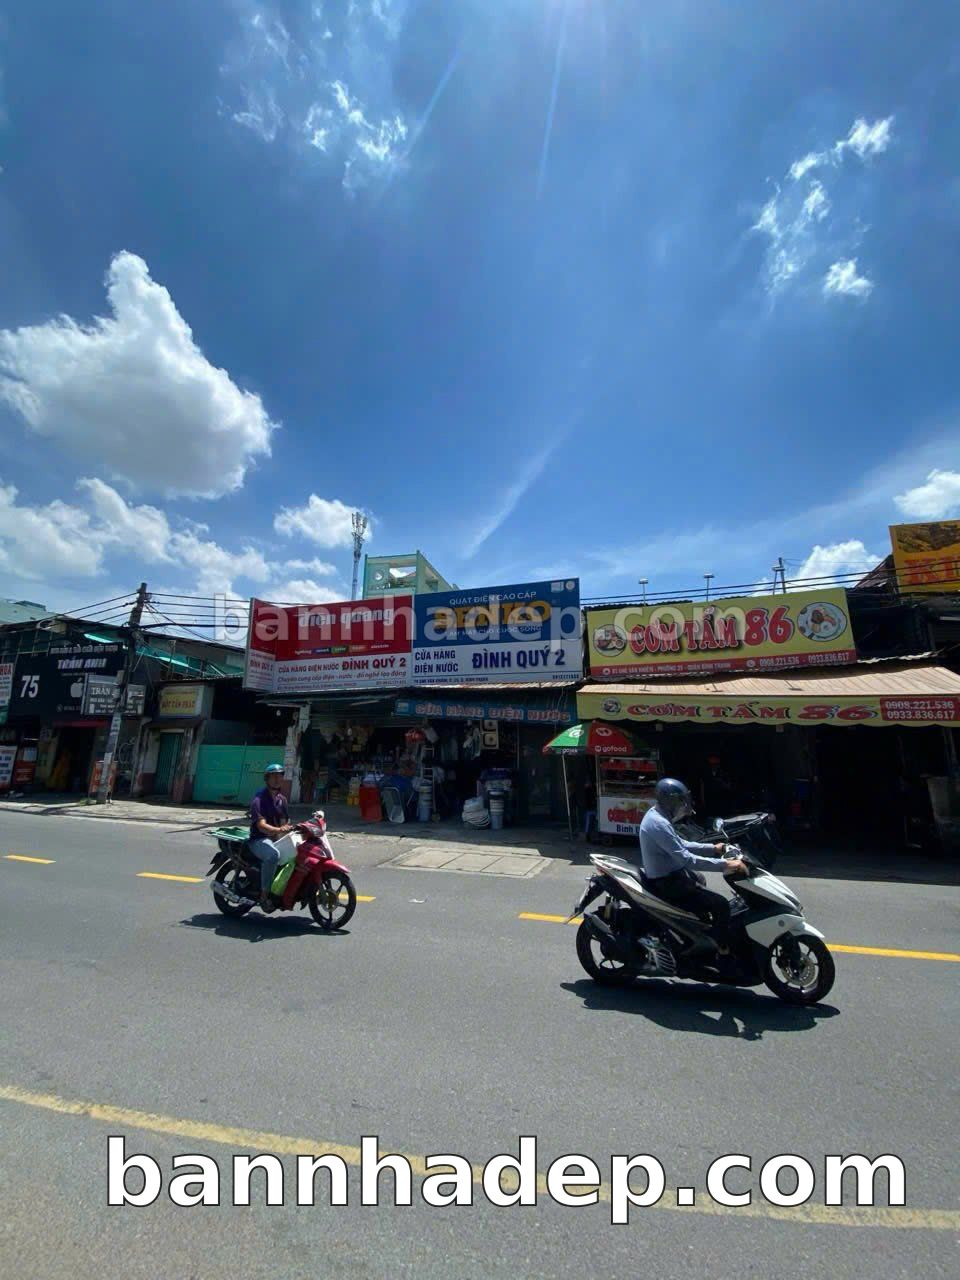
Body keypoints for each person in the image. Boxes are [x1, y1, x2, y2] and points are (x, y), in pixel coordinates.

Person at [639, 777, 745, 952]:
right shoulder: (658, 824)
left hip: (673, 875)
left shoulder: (658, 815)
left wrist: (713, 848)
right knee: (721, 905)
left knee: (700, 878)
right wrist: (726, 864)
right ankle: (720, 949)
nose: (683, 805)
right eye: (679, 801)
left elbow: (681, 844)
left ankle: (695, 931)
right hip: (667, 882)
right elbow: (687, 859)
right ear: (669, 801)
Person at [249, 764, 293, 909]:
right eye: (273, 776)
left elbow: (284, 823)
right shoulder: (259, 799)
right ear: (267, 779)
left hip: (275, 838)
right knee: (273, 855)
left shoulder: (282, 800)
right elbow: (261, 826)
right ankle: (264, 895)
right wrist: (279, 829)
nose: (277, 779)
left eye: (279, 776)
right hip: (259, 839)